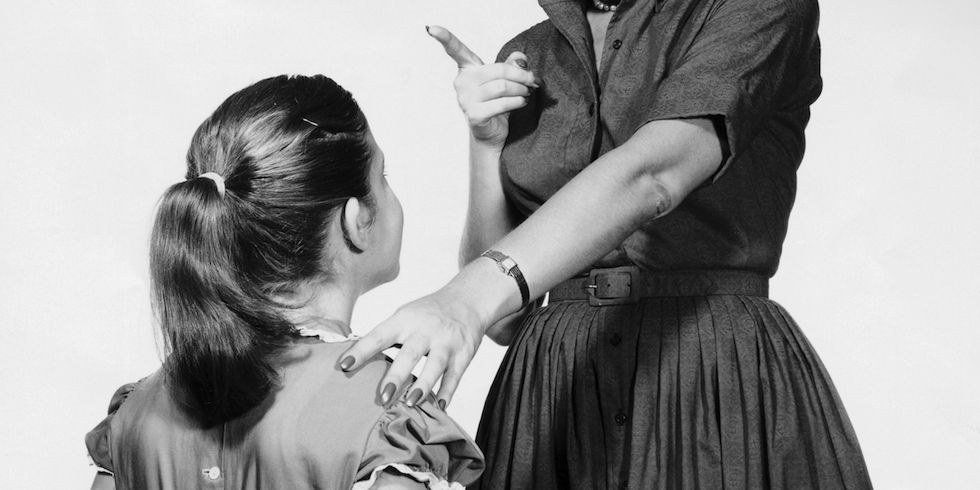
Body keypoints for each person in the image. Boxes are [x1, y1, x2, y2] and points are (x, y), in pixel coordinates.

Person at [340, 0, 873, 488]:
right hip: (556, 386)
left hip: (713, 372)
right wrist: (487, 143)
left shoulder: (753, 9)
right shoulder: (531, 54)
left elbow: (653, 175)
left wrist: (465, 297)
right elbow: (504, 320)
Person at [84, 75, 483, 490]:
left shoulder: (134, 417)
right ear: (357, 220)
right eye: (383, 175)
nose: (390, 190)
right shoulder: (386, 418)